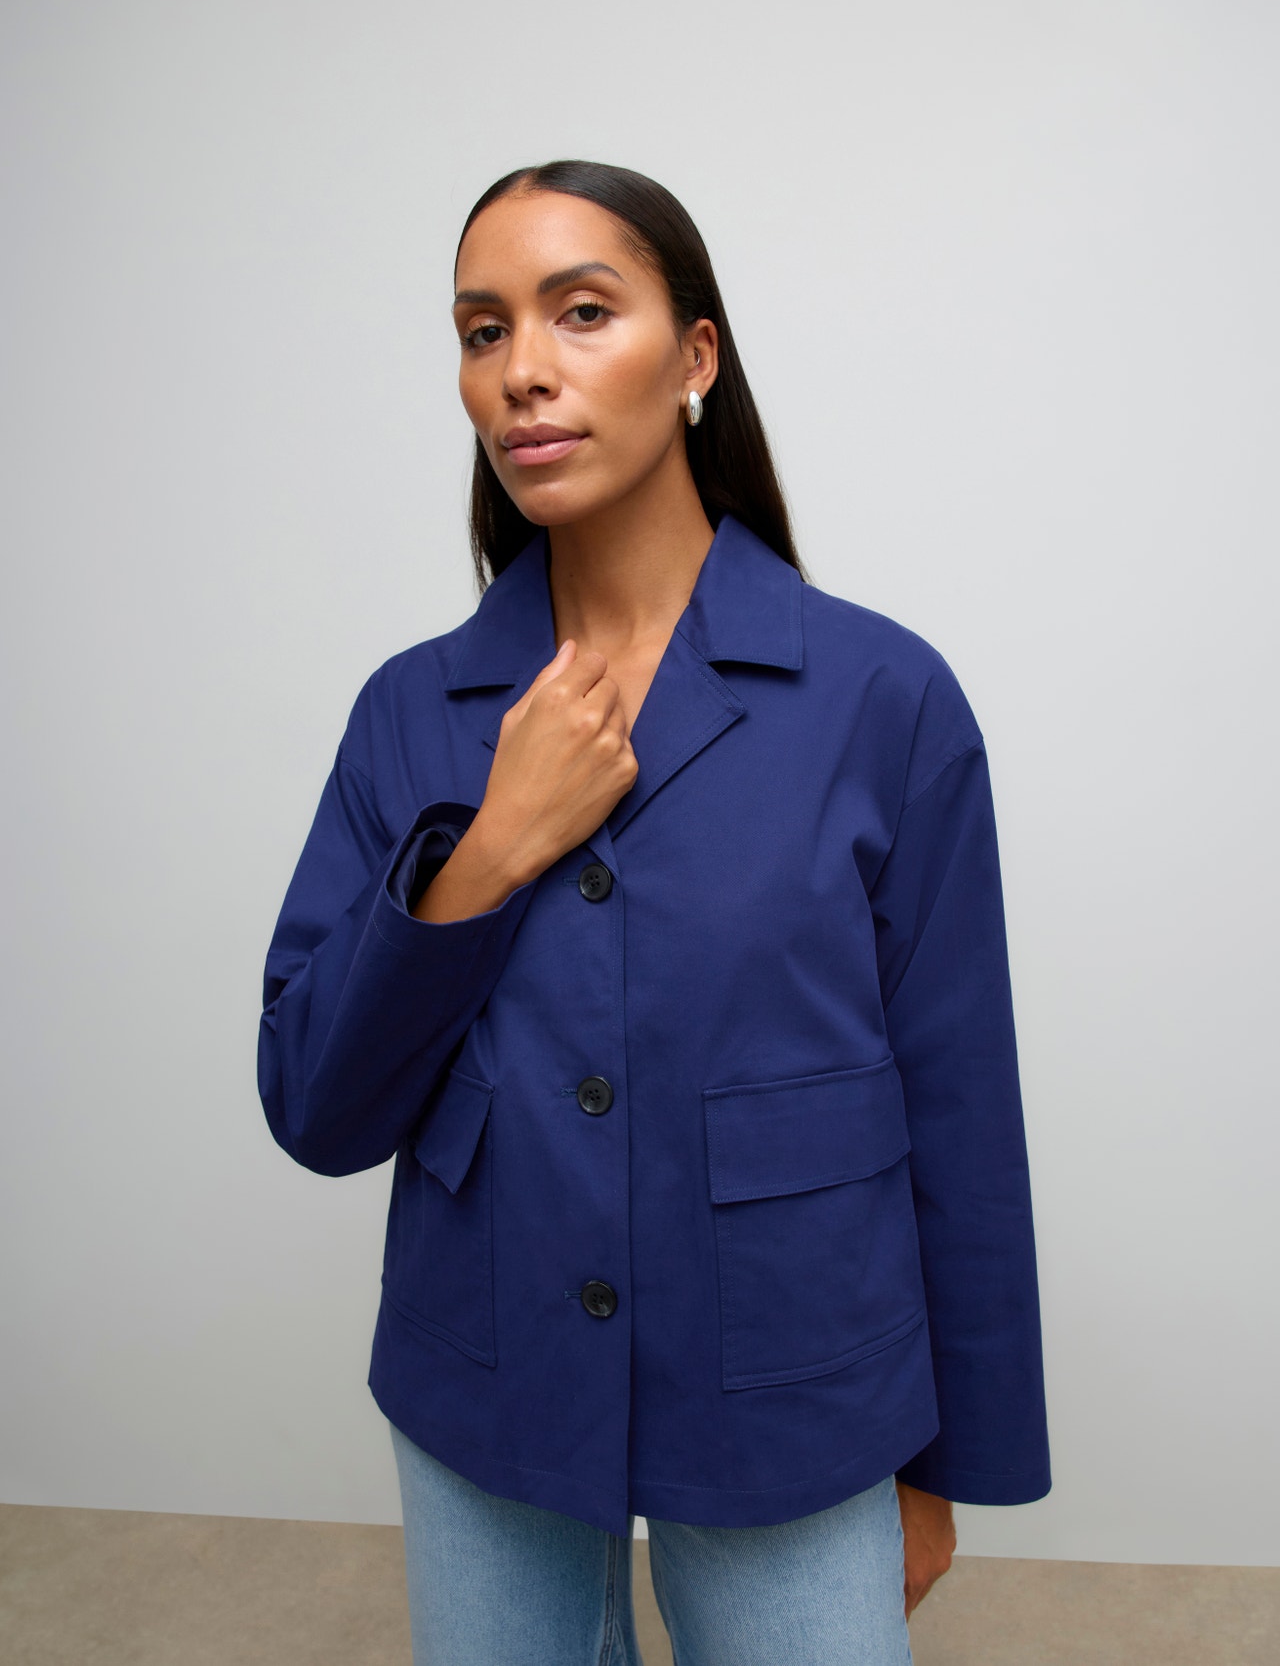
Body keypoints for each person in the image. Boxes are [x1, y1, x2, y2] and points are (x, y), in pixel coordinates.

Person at [257, 158, 1051, 1665]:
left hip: (800, 1391)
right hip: (486, 1379)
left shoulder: (884, 700)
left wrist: (949, 1463)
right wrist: (492, 848)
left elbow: (961, 1108)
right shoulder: (411, 713)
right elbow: (315, 1106)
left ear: (695, 357)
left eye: (580, 311)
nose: (523, 371)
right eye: (482, 331)